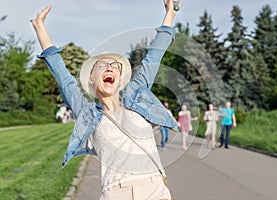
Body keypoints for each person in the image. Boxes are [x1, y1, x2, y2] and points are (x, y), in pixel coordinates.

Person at [31, 1, 182, 199]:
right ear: (91, 80)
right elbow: (63, 77)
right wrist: (40, 28)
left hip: (154, 189)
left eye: (114, 66)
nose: (110, 67)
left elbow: (153, 56)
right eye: (102, 65)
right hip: (116, 192)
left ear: (119, 79)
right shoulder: (88, 114)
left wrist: (170, 13)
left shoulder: (137, 96)